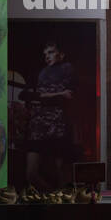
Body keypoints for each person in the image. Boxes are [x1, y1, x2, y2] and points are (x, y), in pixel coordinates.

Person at [27, 42, 75, 190]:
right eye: (45, 54)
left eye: (51, 52)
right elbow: (31, 94)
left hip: (56, 125)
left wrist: (49, 96)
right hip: (38, 126)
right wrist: (55, 94)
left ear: (61, 54)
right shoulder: (41, 73)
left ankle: (59, 199)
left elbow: (68, 95)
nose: (47, 56)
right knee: (31, 174)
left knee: (60, 169)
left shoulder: (66, 69)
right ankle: (51, 196)